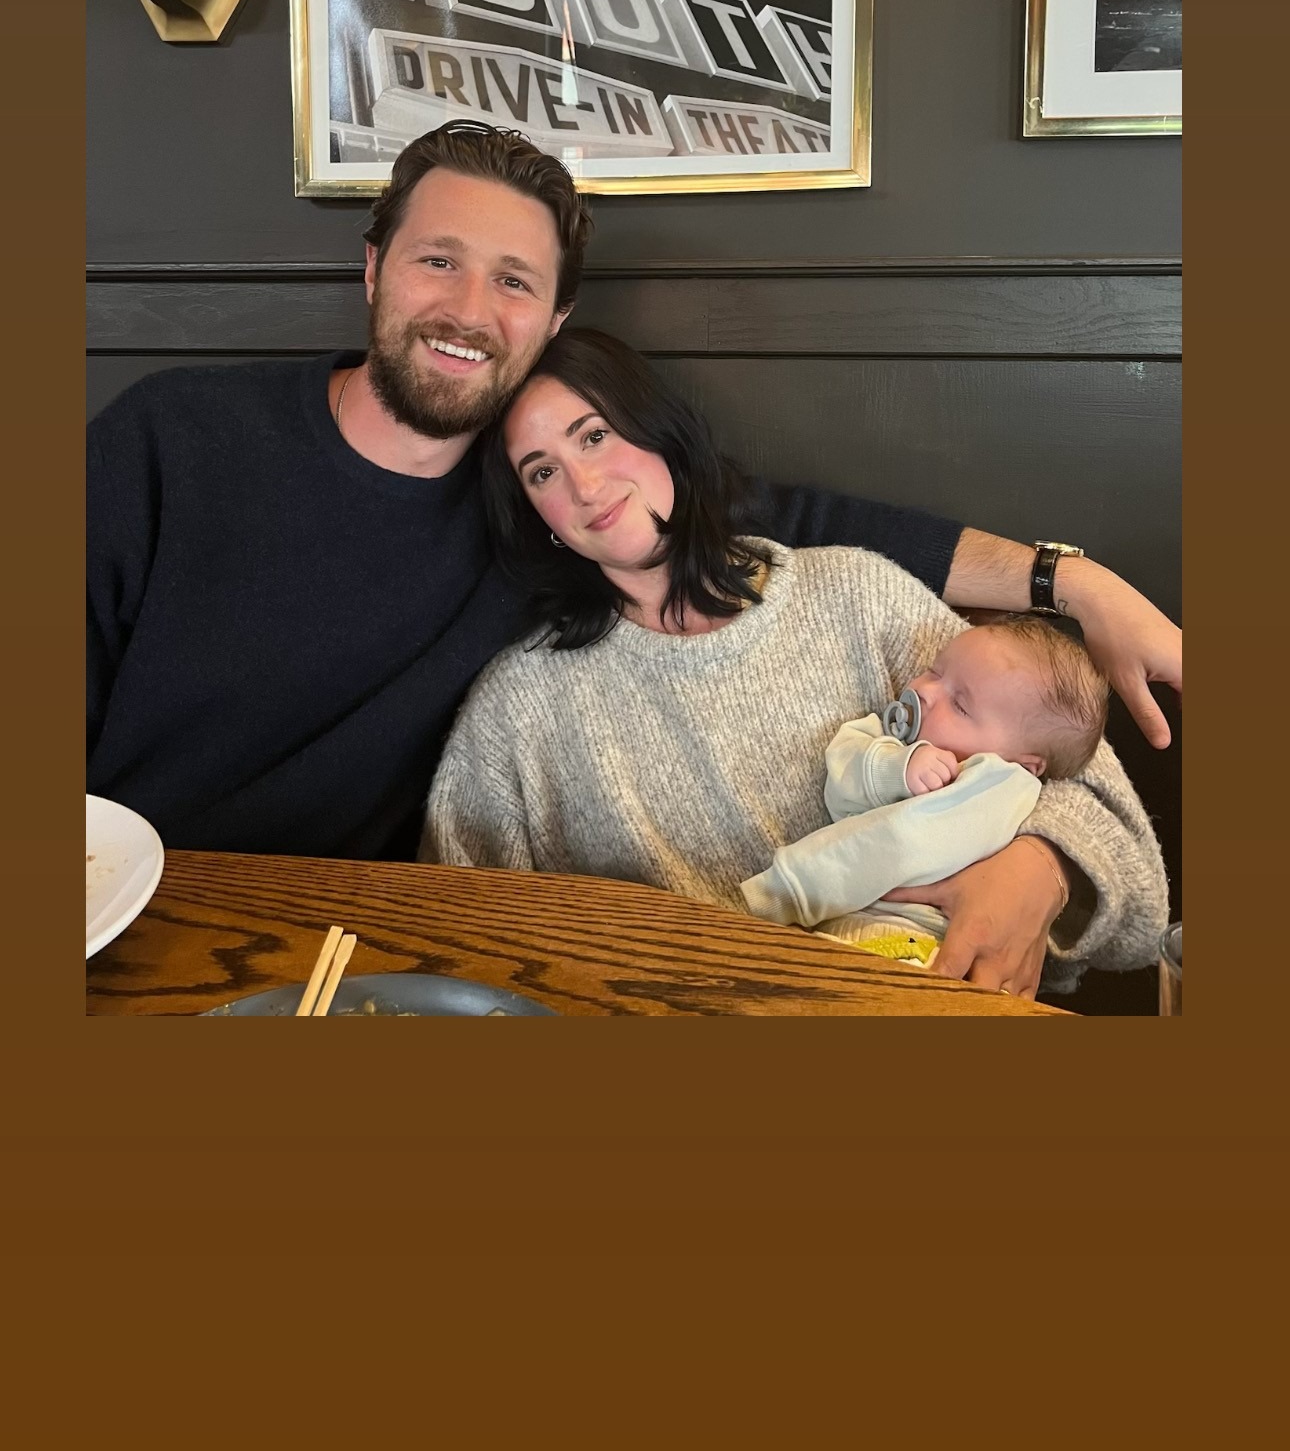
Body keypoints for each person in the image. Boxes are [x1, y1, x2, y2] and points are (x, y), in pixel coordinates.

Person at [88, 120, 1180, 969]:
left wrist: (1069, 584)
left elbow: (791, 536)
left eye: (514, 280)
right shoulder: (173, 440)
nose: (469, 309)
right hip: (106, 903)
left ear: (553, 320)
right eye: (437, 260)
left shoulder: (577, 520)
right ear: (374, 268)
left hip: (327, 945)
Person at [421, 331, 1170, 998]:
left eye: (594, 436)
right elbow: (449, 951)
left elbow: (1122, 852)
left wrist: (1042, 867)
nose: (583, 487)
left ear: (662, 435)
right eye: (541, 473)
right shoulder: (520, 707)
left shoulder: (855, 596)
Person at [740, 614, 1108, 967]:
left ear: (1024, 765)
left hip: (917, 946)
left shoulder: (1000, 784)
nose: (925, 692)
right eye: (935, 670)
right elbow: (840, 781)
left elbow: (900, 841)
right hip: (841, 931)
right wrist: (896, 768)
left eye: (960, 706)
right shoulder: (886, 738)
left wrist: (787, 891)